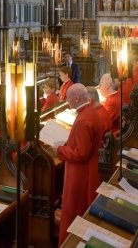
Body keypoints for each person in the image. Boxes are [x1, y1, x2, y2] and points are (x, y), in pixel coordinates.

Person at [53, 83, 105, 245]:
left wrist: (59, 149)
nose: (67, 102)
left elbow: (81, 154)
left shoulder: (83, 119)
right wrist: (68, 142)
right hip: (88, 170)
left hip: (81, 174)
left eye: (68, 99)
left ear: (76, 98)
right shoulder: (91, 112)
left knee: (75, 212)